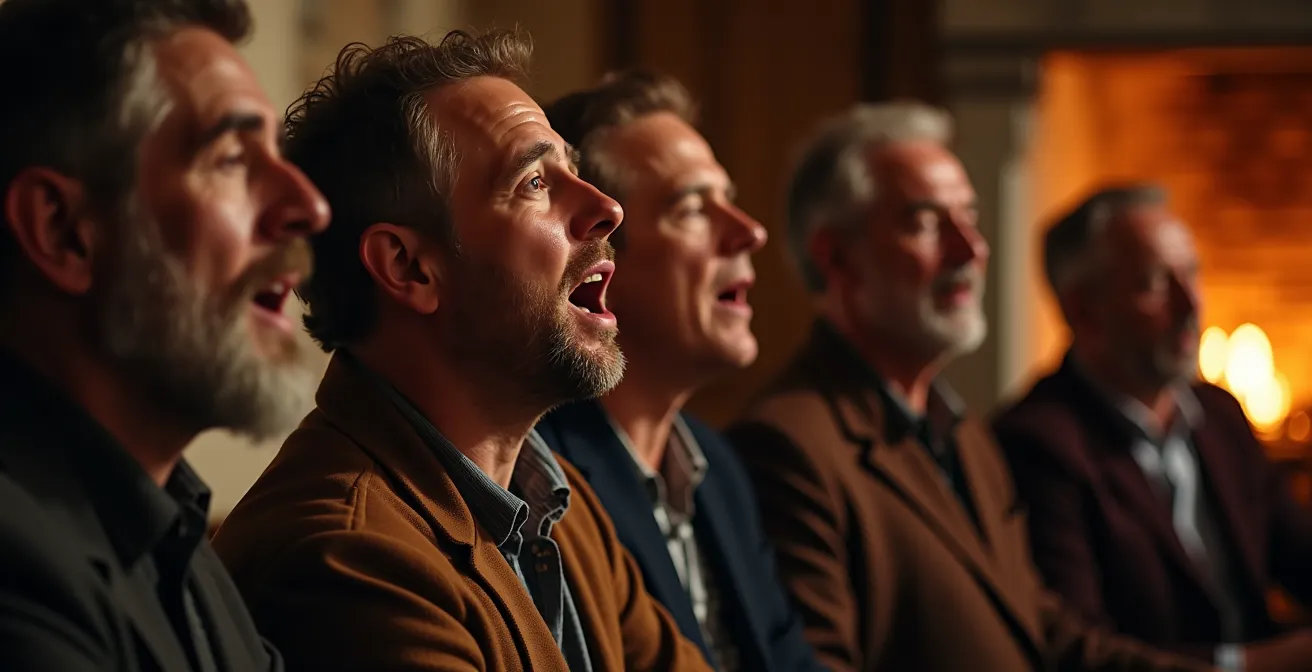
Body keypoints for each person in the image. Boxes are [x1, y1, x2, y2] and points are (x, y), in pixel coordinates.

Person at [210, 31, 711, 672]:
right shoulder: (346, 557)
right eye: (534, 182)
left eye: (574, 170)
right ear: (409, 267)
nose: (606, 208)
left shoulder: (559, 503)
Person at [725, 103, 1212, 672]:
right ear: (837, 258)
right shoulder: (787, 446)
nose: (971, 250)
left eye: (969, 218)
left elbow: (1045, 633)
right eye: (927, 223)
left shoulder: (965, 431)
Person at [0, 0, 331, 670]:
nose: (309, 206)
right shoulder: (17, 565)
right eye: (233, 158)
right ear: (64, 231)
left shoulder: (179, 542)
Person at [533, 70, 822, 672]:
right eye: (692, 208)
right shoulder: (540, 486)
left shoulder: (719, 469)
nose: (750, 231)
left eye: (728, 198)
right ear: (599, 257)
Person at [992, 185, 1312, 672]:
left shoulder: (1219, 414)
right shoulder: (1036, 445)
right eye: (1154, 284)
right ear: (1083, 310)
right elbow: (1079, 651)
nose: (1191, 305)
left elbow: (1299, 552)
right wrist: (1255, 666)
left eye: (1192, 273)